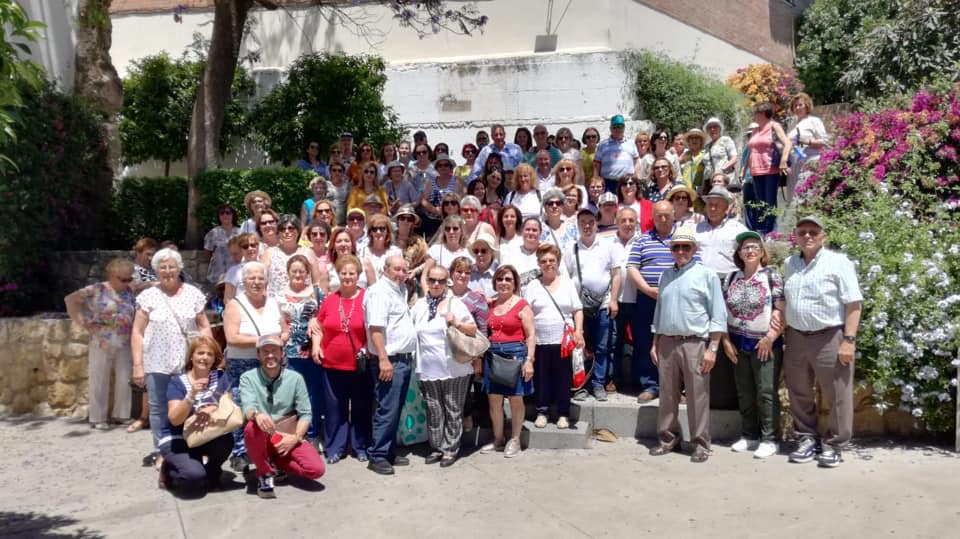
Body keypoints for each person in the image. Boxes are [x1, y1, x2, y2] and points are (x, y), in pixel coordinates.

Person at [783, 215, 862, 468]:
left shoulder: (839, 263)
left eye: (813, 232)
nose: (807, 236)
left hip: (829, 337)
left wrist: (849, 340)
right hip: (796, 337)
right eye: (802, 231)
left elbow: (854, 304)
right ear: (795, 236)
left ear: (823, 237)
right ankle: (807, 439)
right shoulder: (789, 264)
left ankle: (836, 444)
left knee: (837, 393)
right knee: (799, 392)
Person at [648, 227, 726, 463]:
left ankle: (700, 443)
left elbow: (718, 314)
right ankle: (668, 438)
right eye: (676, 247)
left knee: (697, 395)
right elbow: (659, 311)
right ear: (671, 249)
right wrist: (655, 343)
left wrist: (713, 348)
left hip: (695, 343)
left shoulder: (707, 276)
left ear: (694, 249)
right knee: (667, 394)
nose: (681, 251)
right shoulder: (665, 276)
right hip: (667, 342)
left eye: (686, 247)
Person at [131, 248, 212, 469]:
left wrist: (208, 354)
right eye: (162, 267)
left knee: (191, 405)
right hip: (156, 361)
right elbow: (137, 332)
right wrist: (138, 365)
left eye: (171, 267)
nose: (167, 271)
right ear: (156, 270)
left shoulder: (193, 294)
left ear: (179, 269)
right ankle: (162, 451)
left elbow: (204, 327)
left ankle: (191, 448)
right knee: (158, 408)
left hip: (187, 362)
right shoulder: (147, 296)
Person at [222, 261, 288, 470]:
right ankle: (240, 452)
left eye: (261, 278)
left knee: (270, 405)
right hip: (242, 363)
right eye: (252, 278)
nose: (257, 282)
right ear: (244, 282)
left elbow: (285, 330)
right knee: (243, 406)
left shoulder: (274, 303)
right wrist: (264, 341)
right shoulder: (235, 305)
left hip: (271, 364)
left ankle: (267, 449)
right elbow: (232, 337)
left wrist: (280, 340)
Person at [241, 335, 325, 498]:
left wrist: (295, 437)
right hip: (261, 435)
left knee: (316, 470)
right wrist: (257, 415)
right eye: (265, 351)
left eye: (274, 351)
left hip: (286, 434)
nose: (270, 355)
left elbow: (305, 413)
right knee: (251, 426)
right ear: (258, 355)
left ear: (282, 353)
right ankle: (265, 473)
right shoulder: (248, 378)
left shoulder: (295, 378)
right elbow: (248, 408)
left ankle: (276, 463)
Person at [725, 231, 785, 459]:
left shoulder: (771, 276)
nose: (750, 251)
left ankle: (770, 439)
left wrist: (770, 337)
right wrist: (726, 341)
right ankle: (749, 435)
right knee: (745, 391)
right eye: (745, 247)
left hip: (765, 344)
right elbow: (722, 311)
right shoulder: (731, 277)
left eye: (754, 247)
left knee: (766, 392)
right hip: (737, 342)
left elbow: (781, 310)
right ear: (739, 253)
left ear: (762, 252)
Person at [409, 265, 477, 467]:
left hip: (454, 368)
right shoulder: (420, 305)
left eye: (441, 280)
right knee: (434, 410)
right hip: (427, 368)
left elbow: (473, 329)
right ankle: (437, 447)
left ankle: (450, 449)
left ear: (447, 283)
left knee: (452, 408)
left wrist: (455, 321)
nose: (436, 284)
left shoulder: (455, 304)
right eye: (432, 280)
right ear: (427, 282)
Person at [626, 201, 690, 402]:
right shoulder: (642, 240)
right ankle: (650, 385)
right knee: (645, 341)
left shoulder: (683, 239)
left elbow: (694, 265)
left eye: (666, 215)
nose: (663, 219)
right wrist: (647, 289)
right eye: (659, 215)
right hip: (647, 298)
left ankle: (675, 386)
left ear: (674, 215)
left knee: (676, 341)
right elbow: (632, 268)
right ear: (652, 218)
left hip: (677, 300)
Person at [311, 254, 372, 463]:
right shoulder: (330, 299)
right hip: (331, 364)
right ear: (338, 275)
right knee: (334, 409)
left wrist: (368, 348)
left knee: (361, 407)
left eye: (351, 273)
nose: (347, 277)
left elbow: (374, 327)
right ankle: (335, 448)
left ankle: (360, 446)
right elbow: (319, 327)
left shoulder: (367, 299)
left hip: (359, 365)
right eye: (343, 273)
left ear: (358, 275)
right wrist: (316, 346)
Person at [63, 258, 136, 430]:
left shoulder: (128, 290)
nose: (127, 282)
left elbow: (147, 285)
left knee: (125, 378)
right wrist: (82, 322)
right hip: (101, 340)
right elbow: (70, 300)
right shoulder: (97, 289)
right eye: (123, 279)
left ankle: (121, 414)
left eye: (129, 278)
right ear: (112, 275)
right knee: (99, 379)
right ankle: (97, 418)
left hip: (124, 340)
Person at [364, 255, 417, 475]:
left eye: (404, 270)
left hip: (402, 359)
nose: (401, 274)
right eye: (397, 269)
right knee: (387, 409)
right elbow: (375, 329)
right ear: (385, 269)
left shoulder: (400, 290)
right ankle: (377, 456)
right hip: (390, 360)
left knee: (395, 409)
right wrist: (383, 359)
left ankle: (387, 451)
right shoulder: (379, 292)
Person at [159, 335, 233, 492]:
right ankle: (169, 469)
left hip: (205, 435)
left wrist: (212, 408)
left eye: (209, 354)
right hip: (178, 438)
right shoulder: (178, 382)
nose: (204, 357)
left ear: (214, 359)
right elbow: (175, 420)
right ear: (191, 356)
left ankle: (212, 473)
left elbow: (229, 405)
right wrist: (191, 395)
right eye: (200, 353)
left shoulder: (221, 377)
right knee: (193, 476)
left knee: (226, 440)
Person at [524, 243, 582, 429]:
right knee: (541, 378)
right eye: (544, 261)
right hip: (540, 340)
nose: (548, 264)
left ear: (558, 262)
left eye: (552, 260)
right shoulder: (533, 285)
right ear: (539, 264)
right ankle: (542, 412)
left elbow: (577, 309)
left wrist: (579, 331)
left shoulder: (567, 283)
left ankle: (563, 413)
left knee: (563, 378)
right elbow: (526, 312)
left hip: (563, 341)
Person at [480, 265, 536, 457]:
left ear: (515, 283)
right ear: (495, 282)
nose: (503, 283)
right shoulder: (490, 304)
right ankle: (498, 439)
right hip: (493, 354)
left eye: (508, 279)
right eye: (500, 279)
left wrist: (529, 360)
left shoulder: (522, 305)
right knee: (494, 400)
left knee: (515, 399)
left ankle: (515, 439)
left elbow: (531, 335)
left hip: (515, 355)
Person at [565, 208, 619, 402]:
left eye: (590, 222)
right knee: (580, 348)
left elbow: (616, 274)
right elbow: (566, 276)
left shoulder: (608, 245)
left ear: (596, 223)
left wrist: (613, 300)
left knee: (602, 346)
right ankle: (582, 386)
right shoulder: (571, 248)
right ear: (578, 225)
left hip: (603, 304)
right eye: (583, 222)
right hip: (579, 308)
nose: (587, 226)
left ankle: (598, 384)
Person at [278, 254, 323, 448]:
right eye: (294, 271)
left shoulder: (316, 293)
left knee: (313, 393)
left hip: (311, 350)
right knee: (291, 394)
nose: (298, 274)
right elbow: (277, 320)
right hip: (288, 352)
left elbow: (323, 317)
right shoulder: (279, 295)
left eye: (302, 271)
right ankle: (293, 433)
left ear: (307, 273)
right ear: (288, 272)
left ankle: (313, 433)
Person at [746, 101, 792, 235]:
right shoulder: (755, 130)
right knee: (760, 202)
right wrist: (744, 170)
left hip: (770, 169)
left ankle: (772, 232)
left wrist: (783, 161)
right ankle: (762, 230)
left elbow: (788, 143)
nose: (753, 115)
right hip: (756, 171)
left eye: (755, 113)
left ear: (763, 113)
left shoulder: (774, 126)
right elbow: (751, 151)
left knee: (770, 202)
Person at [608, 207, 639, 391]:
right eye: (623, 220)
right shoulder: (608, 242)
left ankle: (637, 381)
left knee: (640, 343)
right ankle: (614, 379)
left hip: (638, 300)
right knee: (614, 343)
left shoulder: (642, 241)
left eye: (631, 220)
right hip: (616, 301)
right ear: (617, 222)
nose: (627, 224)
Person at [695, 186, 748, 281]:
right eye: (710, 204)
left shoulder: (738, 230)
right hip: (700, 280)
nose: (712, 208)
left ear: (726, 207)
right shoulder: (696, 229)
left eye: (717, 205)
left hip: (728, 281)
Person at [261, 214, 321, 298]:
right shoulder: (269, 253)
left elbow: (316, 282)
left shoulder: (308, 253)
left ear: (298, 231)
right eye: (283, 229)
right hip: (276, 302)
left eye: (291, 228)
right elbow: (261, 281)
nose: (286, 231)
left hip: (304, 302)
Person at [786, 93, 829, 203]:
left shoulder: (814, 121)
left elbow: (824, 141)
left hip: (809, 165)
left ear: (807, 106)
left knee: (807, 198)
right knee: (794, 200)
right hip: (794, 167)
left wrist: (807, 141)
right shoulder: (792, 124)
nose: (797, 108)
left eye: (800, 105)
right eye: (795, 106)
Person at [421, 215, 472, 291]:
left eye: (455, 228)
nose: (451, 232)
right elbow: (424, 277)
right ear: (444, 232)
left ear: (461, 231)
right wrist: (428, 295)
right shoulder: (435, 250)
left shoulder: (468, 253)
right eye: (448, 229)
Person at [593, 115, 641, 194]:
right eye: (615, 127)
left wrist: (637, 179)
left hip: (627, 183)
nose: (618, 129)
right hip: (608, 184)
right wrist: (596, 181)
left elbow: (637, 162)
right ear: (610, 128)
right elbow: (596, 165)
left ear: (624, 128)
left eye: (620, 126)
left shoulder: (631, 143)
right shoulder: (602, 145)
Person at [419, 153, 462, 239]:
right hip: (433, 220)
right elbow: (423, 200)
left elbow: (463, 200)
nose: (443, 167)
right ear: (437, 168)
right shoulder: (431, 182)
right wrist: (434, 210)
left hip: (452, 220)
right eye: (440, 165)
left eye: (446, 165)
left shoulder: (457, 181)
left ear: (450, 167)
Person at [358, 212, 402, 285]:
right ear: (370, 232)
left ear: (387, 231)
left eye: (382, 229)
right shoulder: (361, 251)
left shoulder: (396, 252)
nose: (378, 232)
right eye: (374, 229)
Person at [203, 204, 241, 284]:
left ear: (233, 215)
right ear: (219, 216)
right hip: (217, 274)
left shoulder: (240, 232)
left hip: (236, 272)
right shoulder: (213, 233)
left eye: (228, 212)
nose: (225, 215)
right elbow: (207, 252)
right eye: (222, 213)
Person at [702, 117, 739, 187]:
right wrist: (704, 185)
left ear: (720, 129)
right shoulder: (707, 146)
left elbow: (734, 158)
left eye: (715, 127)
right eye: (709, 128)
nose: (712, 129)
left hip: (725, 180)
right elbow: (707, 166)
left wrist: (722, 169)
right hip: (711, 182)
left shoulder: (726, 140)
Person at [539, 188, 578, 253]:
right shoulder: (539, 229)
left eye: (558, 203)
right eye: (550, 203)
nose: (554, 206)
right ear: (545, 207)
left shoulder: (572, 228)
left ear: (562, 206)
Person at [468, 233, 499, 300]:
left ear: (492, 252)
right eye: (476, 251)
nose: (479, 254)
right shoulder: (467, 272)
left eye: (483, 251)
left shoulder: (500, 272)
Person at [680, 128, 707, 194]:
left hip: (700, 190)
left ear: (701, 141)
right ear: (688, 141)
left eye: (697, 138)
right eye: (691, 138)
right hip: (686, 189)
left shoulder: (705, 154)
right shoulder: (686, 154)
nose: (694, 140)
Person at [327, 161, 351, 226]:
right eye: (334, 170)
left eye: (339, 170)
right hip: (328, 221)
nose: (337, 172)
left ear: (343, 173)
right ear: (330, 172)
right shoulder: (326, 184)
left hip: (343, 222)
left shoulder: (347, 185)